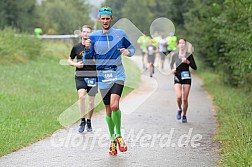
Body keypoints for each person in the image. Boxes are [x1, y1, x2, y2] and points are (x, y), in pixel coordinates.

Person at [84, 7, 135, 155]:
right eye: (103, 18)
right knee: (107, 109)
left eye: (108, 18)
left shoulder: (120, 34)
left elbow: (132, 49)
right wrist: (87, 49)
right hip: (102, 76)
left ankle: (118, 135)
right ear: (99, 20)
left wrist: (127, 52)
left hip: (117, 73)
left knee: (114, 105)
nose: (105, 21)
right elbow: (88, 59)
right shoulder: (93, 37)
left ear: (111, 19)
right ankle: (112, 140)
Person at [68, 25, 98, 133]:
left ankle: (89, 121)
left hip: (93, 75)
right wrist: (76, 64)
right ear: (81, 33)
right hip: (80, 75)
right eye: (84, 32)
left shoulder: (95, 47)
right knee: (81, 97)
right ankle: (82, 120)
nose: (86, 34)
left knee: (91, 102)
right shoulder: (76, 47)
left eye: (88, 32)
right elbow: (69, 59)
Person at [170, 38, 197, 123]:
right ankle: (179, 109)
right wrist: (172, 69)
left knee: (185, 99)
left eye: (183, 43)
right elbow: (171, 65)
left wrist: (187, 62)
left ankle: (184, 115)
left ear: (185, 45)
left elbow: (194, 67)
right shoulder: (175, 55)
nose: (181, 45)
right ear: (178, 45)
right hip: (177, 76)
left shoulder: (189, 55)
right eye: (180, 43)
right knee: (178, 96)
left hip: (186, 77)